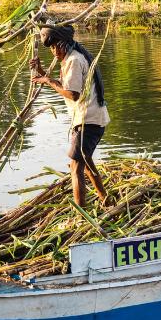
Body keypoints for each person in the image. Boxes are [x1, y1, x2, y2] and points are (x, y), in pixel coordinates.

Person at [31, 25, 111, 208]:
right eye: (50, 48)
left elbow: (73, 94)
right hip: (91, 119)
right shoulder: (70, 59)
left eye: (54, 47)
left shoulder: (74, 60)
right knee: (87, 162)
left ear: (63, 44)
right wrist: (42, 72)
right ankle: (106, 201)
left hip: (88, 121)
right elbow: (68, 86)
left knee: (76, 167)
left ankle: (82, 213)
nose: (53, 52)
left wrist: (48, 81)